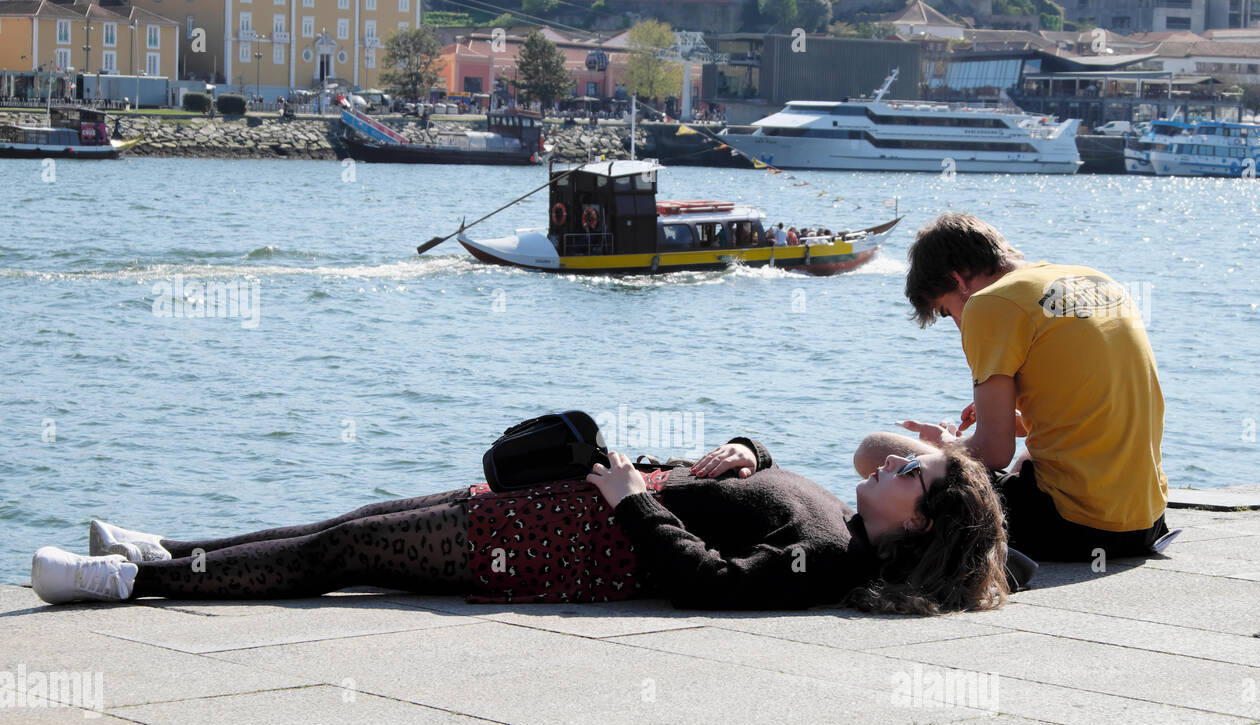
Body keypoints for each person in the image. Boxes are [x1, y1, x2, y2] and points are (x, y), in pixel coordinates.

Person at [30, 436, 1010, 615]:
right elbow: (766, 473)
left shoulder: (827, 557)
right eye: (904, 457)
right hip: (555, 510)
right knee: (350, 518)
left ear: (923, 525)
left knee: (338, 554)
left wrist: (632, 496)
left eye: (909, 473)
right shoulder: (833, 510)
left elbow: (706, 579)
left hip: (548, 547)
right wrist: (748, 448)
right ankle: (164, 551)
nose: (888, 462)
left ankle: (129, 582)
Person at [856, 212, 1169, 562]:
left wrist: (947, 446)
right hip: (1146, 523)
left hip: (1075, 526)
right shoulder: (1095, 279)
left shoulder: (988, 303)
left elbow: (992, 453)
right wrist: (1016, 420)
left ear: (959, 280)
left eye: (948, 313)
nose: (959, 327)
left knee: (874, 450)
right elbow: (1094, 404)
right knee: (1025, 461)